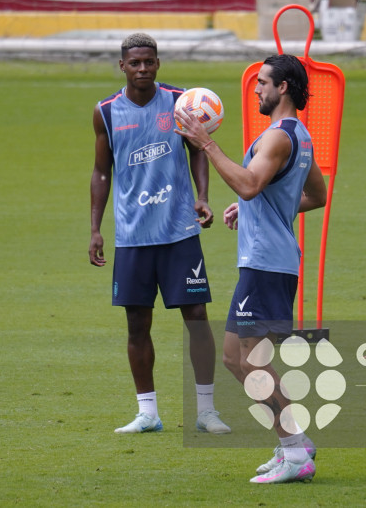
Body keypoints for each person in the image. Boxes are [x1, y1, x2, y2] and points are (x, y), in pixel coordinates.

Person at [175, 54, 327, 484]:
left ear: (283, 88)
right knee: (232, 358)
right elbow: (315, 195)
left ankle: (295, 453)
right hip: (266, 262)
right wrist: (255, 207)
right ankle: (292, 441)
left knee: (252, 361)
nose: (256, 89)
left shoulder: (278, 138)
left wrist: (207, 145)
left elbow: (248, 182)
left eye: (262, 83)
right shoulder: (299, 135)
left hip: (267, 263)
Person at [89, 33, 231, 435]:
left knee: (198, 318)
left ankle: (206, 411)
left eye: (149, 62)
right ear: (122, 66)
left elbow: (197, 150)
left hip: (179, 232)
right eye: (135, 63)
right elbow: (102, 172)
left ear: (158, 63)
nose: (142, 69)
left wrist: (203, 196)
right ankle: (147, 412)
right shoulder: (106, 111)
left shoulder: (182, 102)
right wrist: (96, 229)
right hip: (133, 236)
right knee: (137, 324)